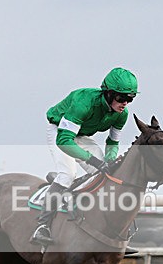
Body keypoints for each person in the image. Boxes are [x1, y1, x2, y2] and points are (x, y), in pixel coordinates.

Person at [31, 67, 138, 246]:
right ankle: (42, 226)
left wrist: (109, 161)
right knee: (67, 175)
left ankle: (109, 233)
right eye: (121, 98)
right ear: (109, 94)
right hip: (60, 131)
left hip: (81, 134)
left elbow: (112, 142)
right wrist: (93, 160)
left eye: (130, 99)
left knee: (106, 173)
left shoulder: (122, 114)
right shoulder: (84, 103)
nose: (125, 103)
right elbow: (64, 140)